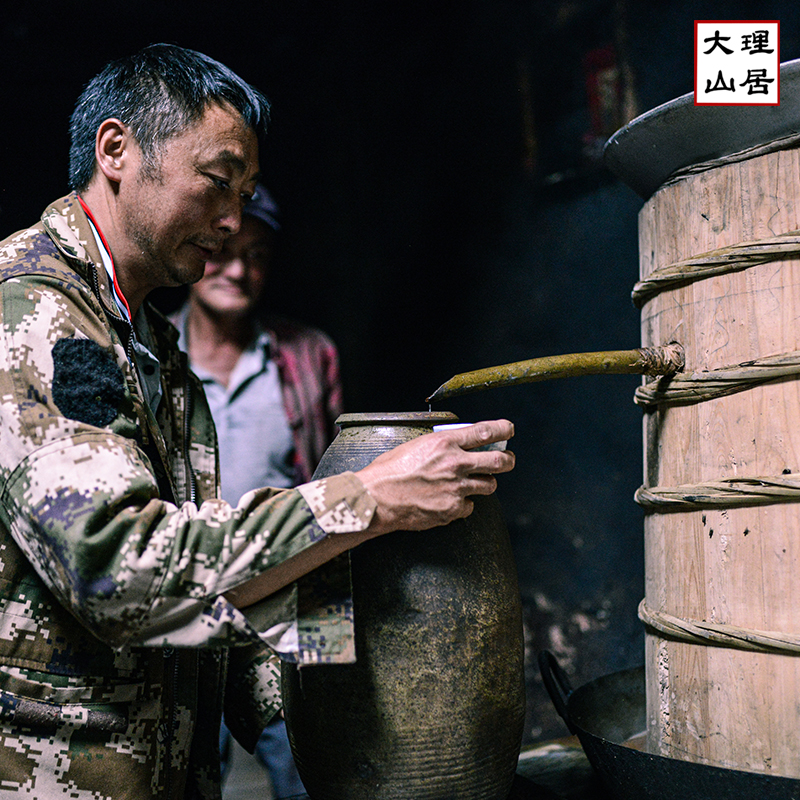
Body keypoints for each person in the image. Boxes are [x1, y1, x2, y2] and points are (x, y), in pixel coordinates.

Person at [0, 43, 514, 800]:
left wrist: (336, 681)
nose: (232, 219)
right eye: (216, 182)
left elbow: (201, 590)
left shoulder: (149, 343)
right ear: (116, 150)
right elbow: (116, 567)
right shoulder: (35, 312)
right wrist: (367, 498)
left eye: (244, 191)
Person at [168, 185, 338, 797]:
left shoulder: (307, 355)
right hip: (193, 594)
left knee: (317, 764)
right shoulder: (153, 355)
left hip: (301, 593)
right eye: (224, 251)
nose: (239, 270)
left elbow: (332, 482)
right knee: (188, 763)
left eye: (258, 254)